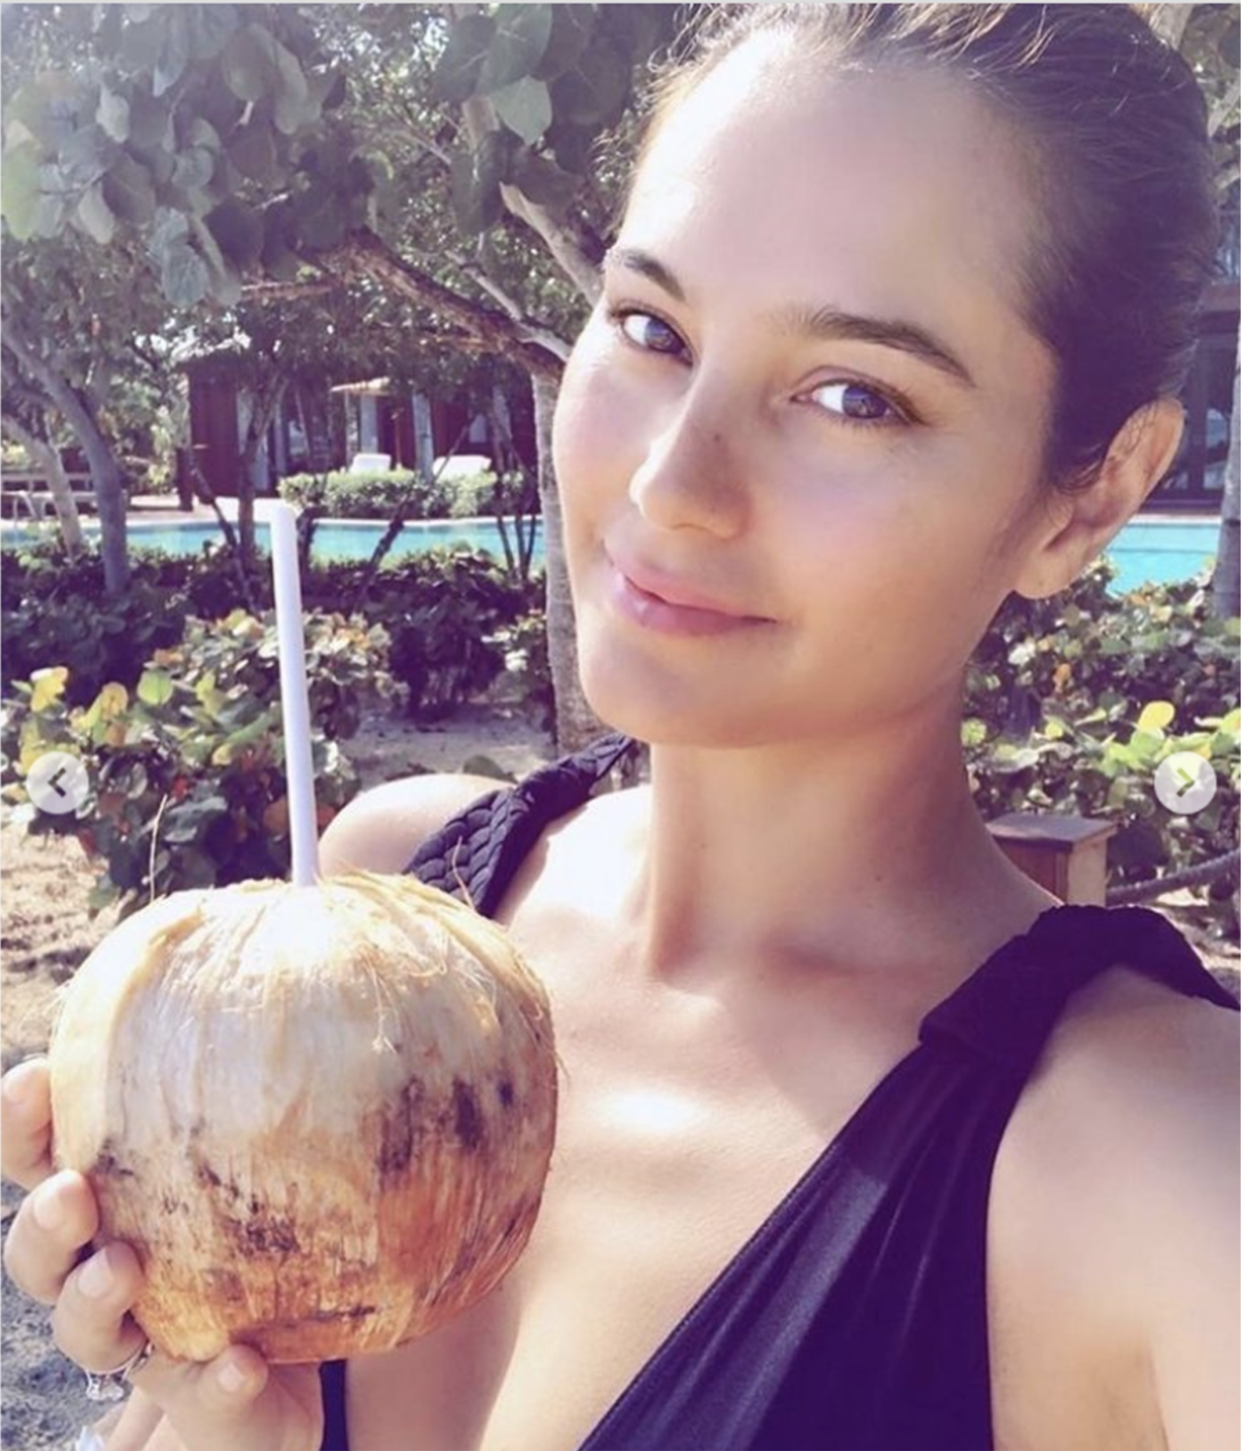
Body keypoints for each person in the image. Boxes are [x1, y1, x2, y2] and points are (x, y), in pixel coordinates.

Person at [4, 4, 1240, 1448]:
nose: (670, 483)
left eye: (854, 394)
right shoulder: (395, 899)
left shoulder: (1163, 1176)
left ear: (1090, 494)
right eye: (651, 326)